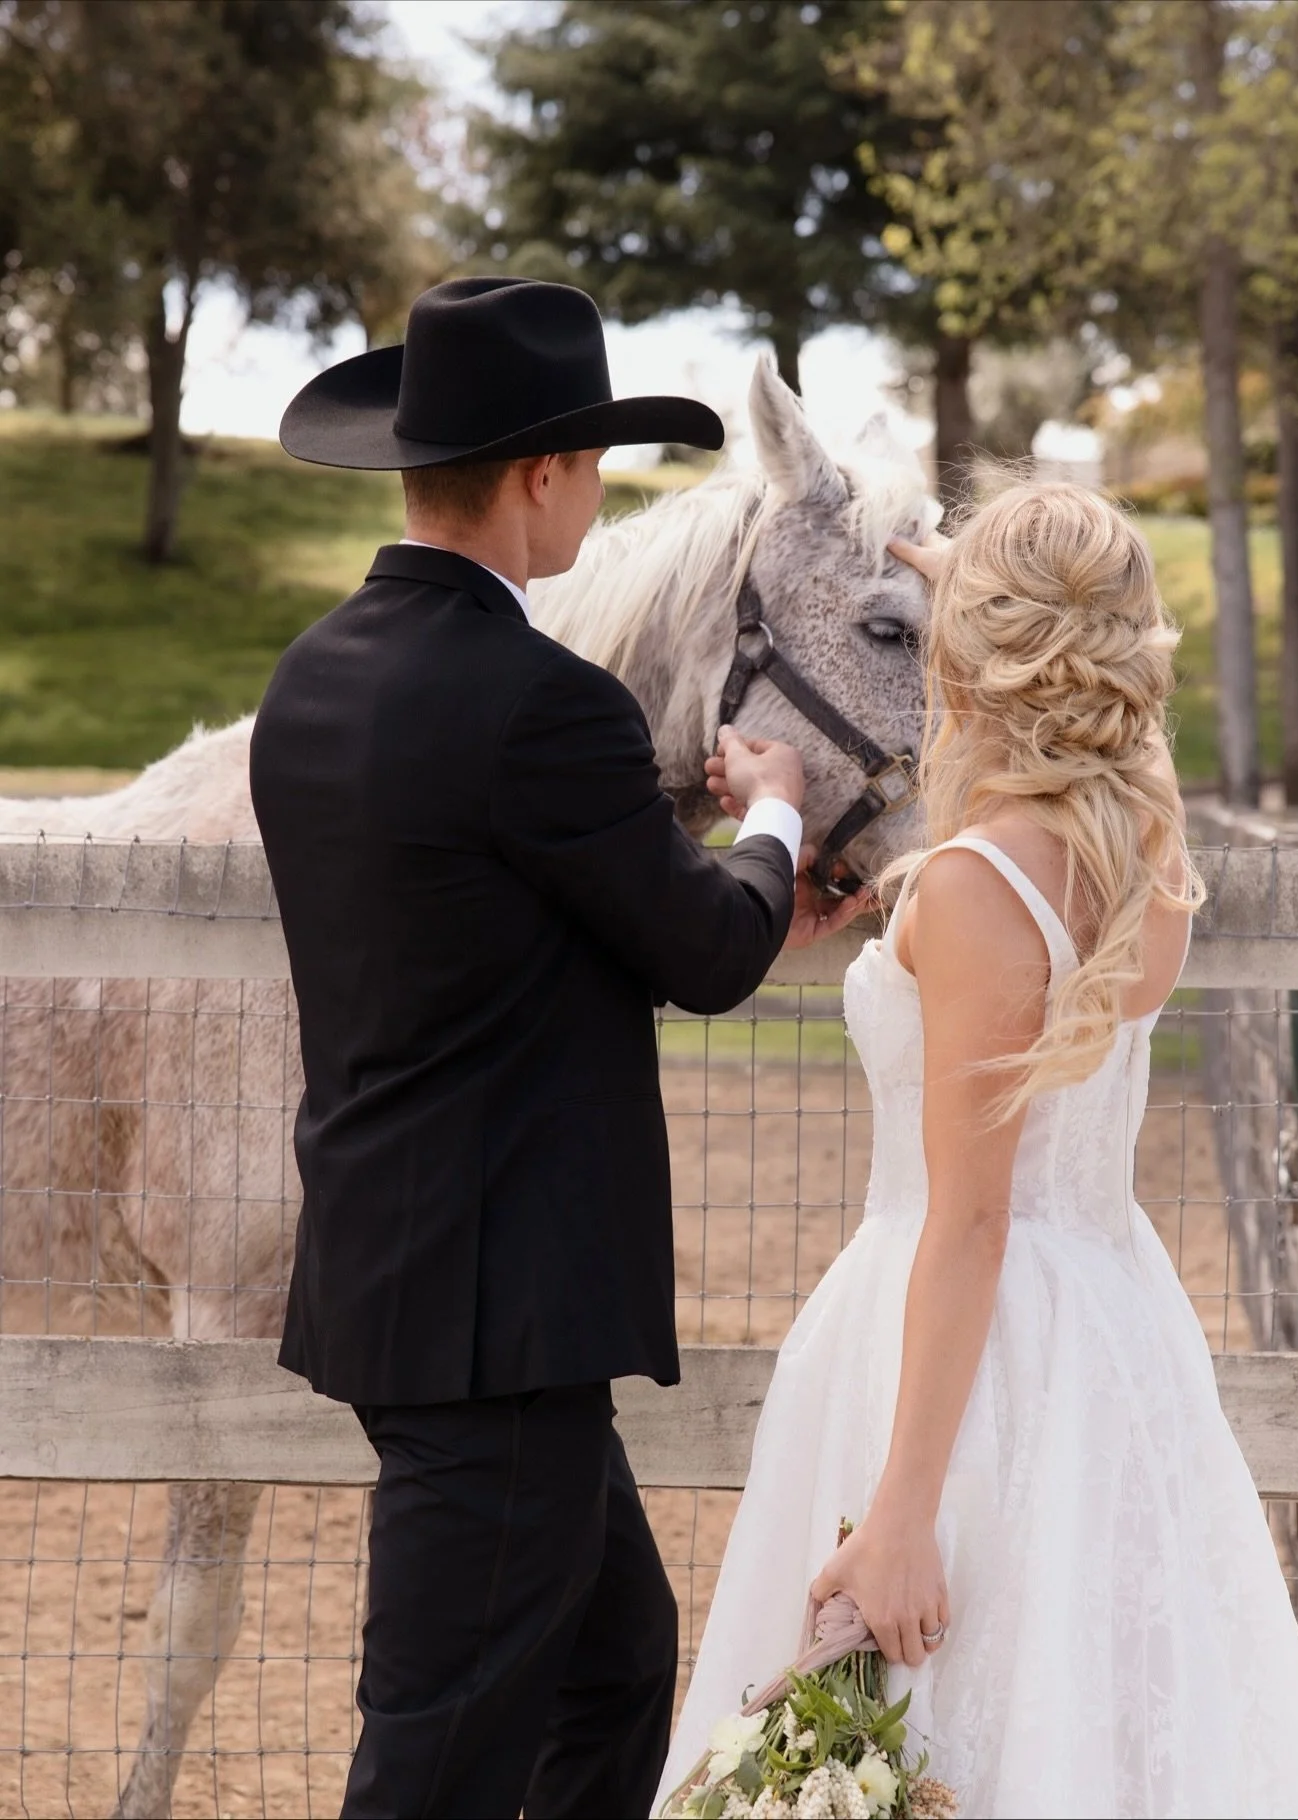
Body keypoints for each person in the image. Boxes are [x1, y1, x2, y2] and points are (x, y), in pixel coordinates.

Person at [249, 276, 863, 1820]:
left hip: (405, 1280)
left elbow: (486, 929)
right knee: (437, 1752)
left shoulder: (311, 680)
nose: (598, 491)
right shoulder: (543, 708)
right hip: (502, 1317)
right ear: (539, 478)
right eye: (588, 461)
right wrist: (775, 812)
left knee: (612, 1661)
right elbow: (713, 953)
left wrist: (687, 883)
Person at [660, 483, 1298, 1818]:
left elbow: (972, 1221)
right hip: (1111, 1331)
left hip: (959, 1352)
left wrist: (903, 1512)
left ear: (969, 649)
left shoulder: (981, 885)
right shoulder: (1146, 848)